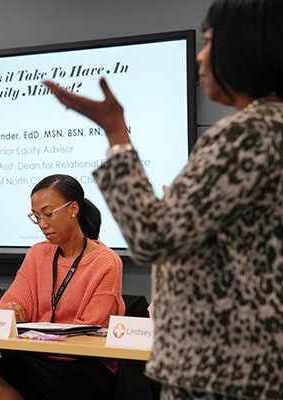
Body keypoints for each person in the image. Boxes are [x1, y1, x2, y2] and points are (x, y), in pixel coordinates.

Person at [42, 0, 283, 399]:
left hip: (221, 366)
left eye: (209, 42)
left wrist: (116, 133)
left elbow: (153, 236)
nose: (201, 58)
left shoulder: (245, 134)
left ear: (245, 46)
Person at [0, 174, 125, 400]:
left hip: (86, 366)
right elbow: (10, 307)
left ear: (73, 209)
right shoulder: (38, 254)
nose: (42, 224)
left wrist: (29, 332)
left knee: (9, 368)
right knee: (6, 368)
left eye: (48, 214)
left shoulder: (107, 262)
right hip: (39, 358)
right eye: (36, 217)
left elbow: (86, 333)